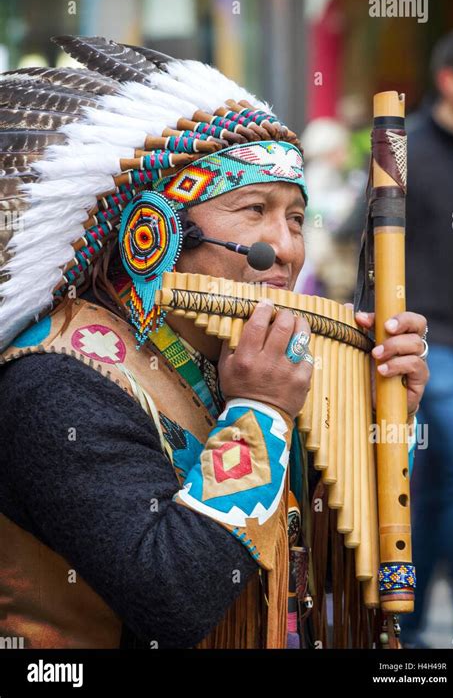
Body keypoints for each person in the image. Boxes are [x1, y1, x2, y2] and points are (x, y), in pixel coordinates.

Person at [0, 36, 428, 649]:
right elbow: (172, 598)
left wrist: (376, 422)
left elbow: (313, 578)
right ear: (152, 232)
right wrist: (260, 413)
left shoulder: (233, 362)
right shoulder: (56, 381)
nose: (284, 248)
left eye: (296, 218)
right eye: (254, 210)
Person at [402, 28, 453, 647]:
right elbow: (361, 234)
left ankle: (408, 625)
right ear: (450, 80)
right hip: (432, 342)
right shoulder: (406, 147)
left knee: (436, 486)